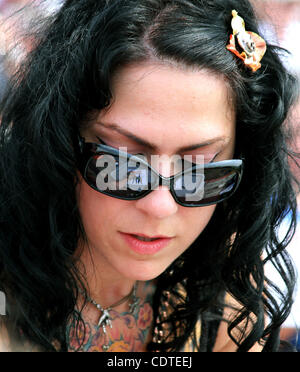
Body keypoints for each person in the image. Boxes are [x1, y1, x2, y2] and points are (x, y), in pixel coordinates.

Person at [0, 0, 299, 353]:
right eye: (122, 164)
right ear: (58, 141)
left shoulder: (228, 298)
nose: (160, 206)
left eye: (200, 171)